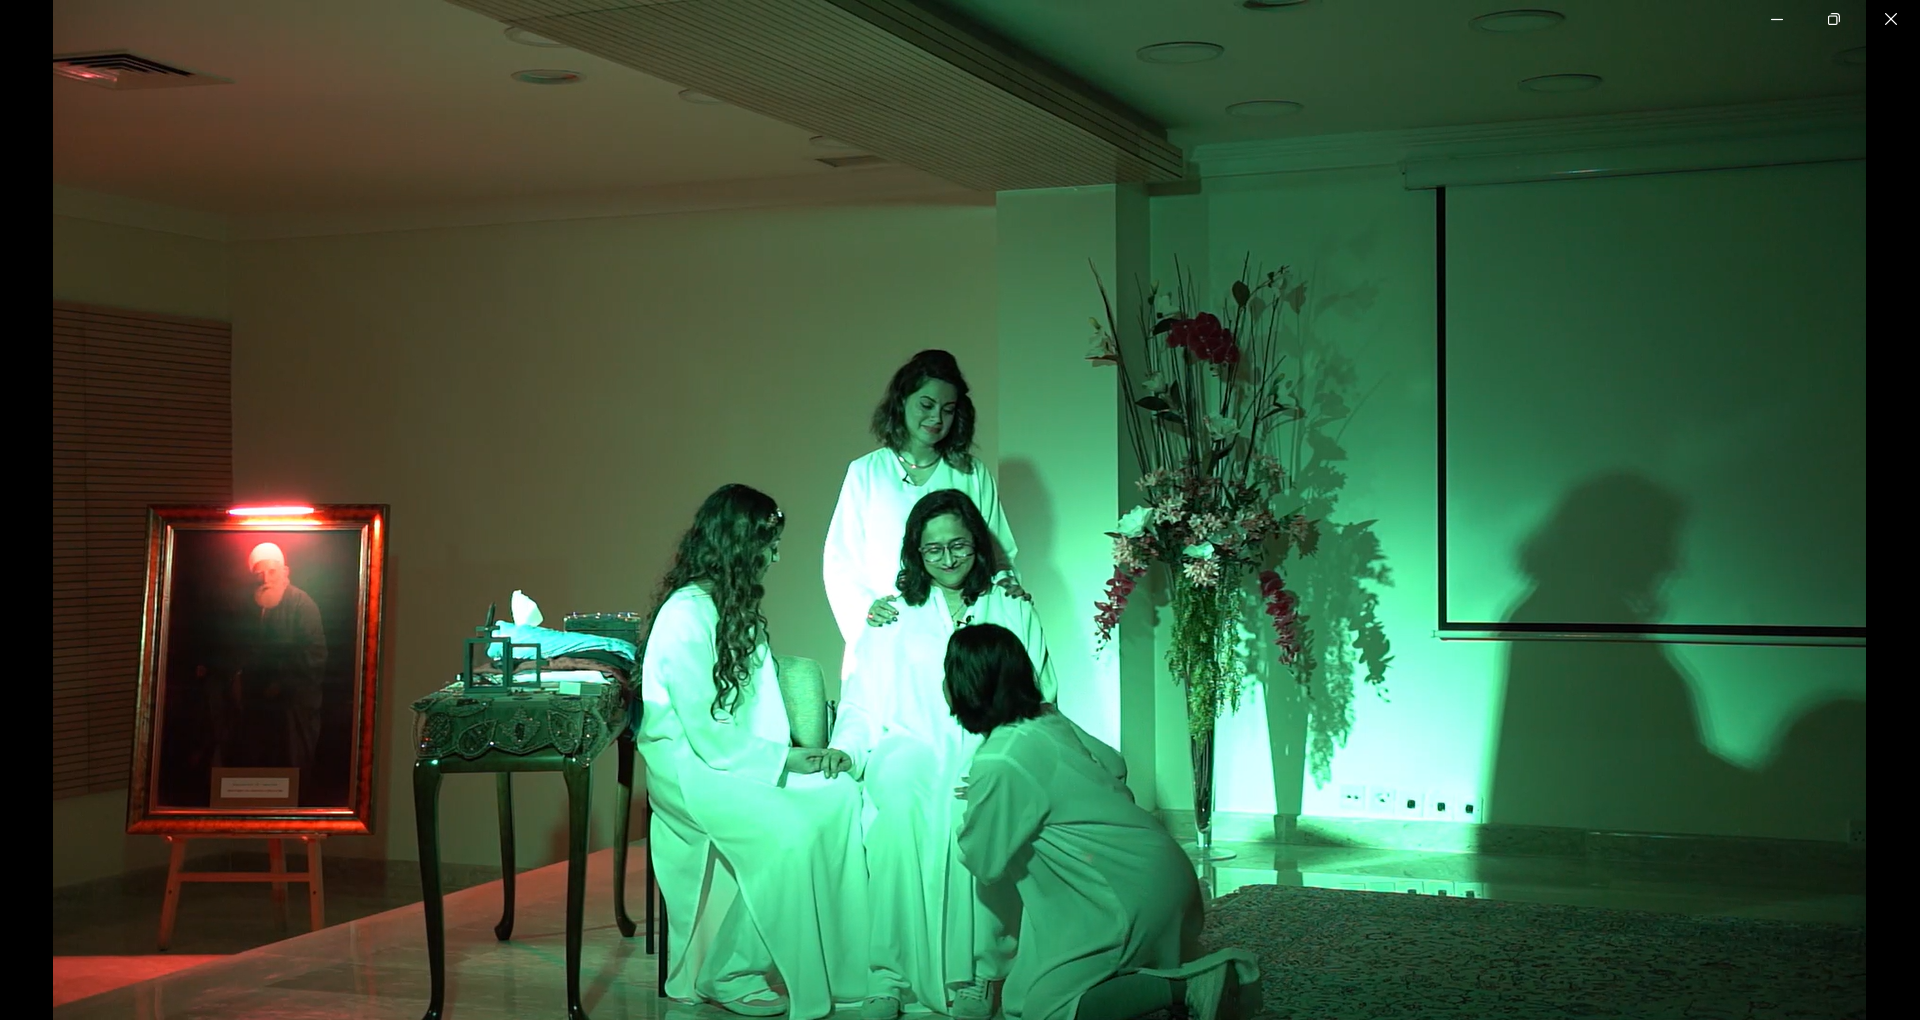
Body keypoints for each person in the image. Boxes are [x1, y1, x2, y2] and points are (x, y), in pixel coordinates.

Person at [636, 483, 869, 1019]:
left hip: (738, 757)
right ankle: (730, 970)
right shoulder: (685, 614)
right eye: (770, 543)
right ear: (739, 543)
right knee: (791, 833)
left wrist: (787, 755)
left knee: (839, 797)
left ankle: (841, 966)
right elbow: (701, 729)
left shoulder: (734, 608)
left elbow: (755, 710)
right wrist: (781, 760)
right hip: (689, 769)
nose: (776, 556)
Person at [946, 625, 1262, 1020]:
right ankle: (1161, 978)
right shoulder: (1047, 719)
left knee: (1045, 1012)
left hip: (1122, 898)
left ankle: (1191, 984)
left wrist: (980, 803)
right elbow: (1115, 765)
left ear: (965, 684)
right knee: (1023, 999)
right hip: (1166, 871)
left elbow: (982, 861)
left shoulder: (1000, 759)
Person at [832, 490, 1055, 1020]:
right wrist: (846, 748)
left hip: (988, 744)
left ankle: (979, 973)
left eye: (958, 545)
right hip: (908, 744)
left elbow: (1040, 691)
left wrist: (1006, 757)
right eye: (933, 550)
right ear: (916, 552)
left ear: (978, 542)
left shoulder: (1011, 605)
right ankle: (889, 974)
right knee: (898, 812)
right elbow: (863, 699)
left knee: (968, 809)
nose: (948, 559)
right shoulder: (893, 613)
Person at [824, 350, 1022, 681]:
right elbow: (840, 559)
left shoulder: (972, 474)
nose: (936, 419)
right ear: (902, 401)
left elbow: (999, 555)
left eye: (948, 409)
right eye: (926, 405)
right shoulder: (867, 473)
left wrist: (1007, 591)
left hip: (960, 634)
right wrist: (866, 610)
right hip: (890, 629)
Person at [211, 541, 328, 780]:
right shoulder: (251, 605)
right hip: (258, 703)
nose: (266, 579)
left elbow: (314, 656)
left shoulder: (302, 604)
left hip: (293, 706)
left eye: (272, 571)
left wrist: (281, 684)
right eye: (260, 574)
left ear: (285, 572)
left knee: (291, 769)